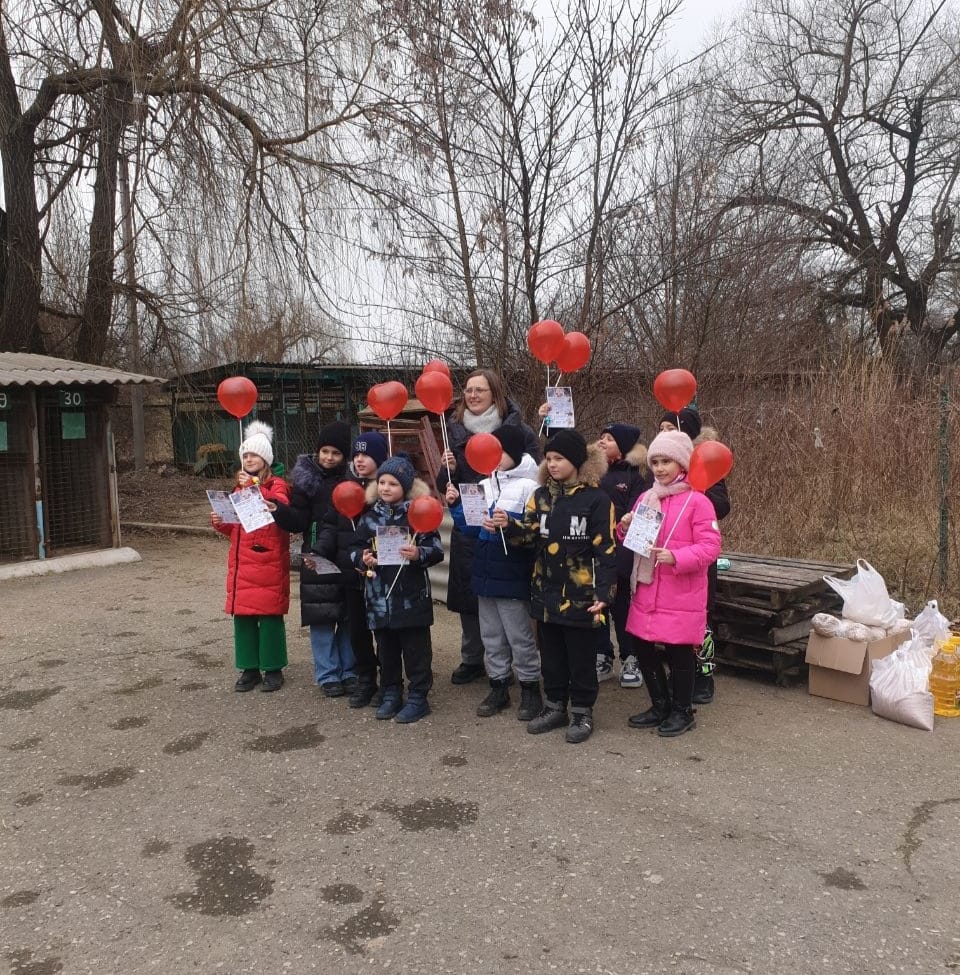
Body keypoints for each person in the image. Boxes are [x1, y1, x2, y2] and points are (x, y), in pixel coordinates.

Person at [498, 429, 616, 744]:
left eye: (559, 458)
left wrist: (604, 592)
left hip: (581, 595)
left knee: (580, 658)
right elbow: (528, 537)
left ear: (576, 461)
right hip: (545, 591)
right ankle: (555, 706)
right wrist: (508, 526)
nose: (552, 464)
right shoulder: (541, 496)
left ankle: (581, 711)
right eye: (548, 458)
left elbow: (606, 549)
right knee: (551, 656)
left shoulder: (597, 499)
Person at [437, 368, 541, 685]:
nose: (473, 395)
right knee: (473, 596)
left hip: (509, 521)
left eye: (480, 390)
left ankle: (519, 667)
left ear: (494, 393)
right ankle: (473, 658)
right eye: (468, 390)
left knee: (510, 602)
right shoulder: (452, 430)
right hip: (469, 520)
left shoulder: (517, 431)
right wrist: (447, 471)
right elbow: (446, 485)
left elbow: (536, 472)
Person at [619, 430, 722, 737]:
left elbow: (711, 546)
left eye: (667, 461)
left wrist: (676, 557)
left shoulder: (698, 502)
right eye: (656, 462)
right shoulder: (645, 497)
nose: (660, 468)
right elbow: (634, 542)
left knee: (679, 652)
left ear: (682, 464)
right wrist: (624, 528)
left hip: (682, 592)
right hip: (647, 589)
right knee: (643, 647)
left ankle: (682, 710)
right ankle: (660, 704)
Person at [445, 425, 542, 720]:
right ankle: (498, 685)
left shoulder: (530, 486)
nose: (494, 458)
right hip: (484, 573)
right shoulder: (484, 485)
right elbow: (470, 528)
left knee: (520, 636)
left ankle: (530, 688)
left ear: (514, 453)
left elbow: (534, 532)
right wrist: (456, 506)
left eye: (499, 452)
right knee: (491, 636)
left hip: (512, 575)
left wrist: (509, 525)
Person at [350, 455, 444, 724]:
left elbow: (436, 550)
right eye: (381, 482)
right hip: (379, 598)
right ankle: (390, 691)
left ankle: (418, 696)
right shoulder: (369, 519)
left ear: (405, 486)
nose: (385, 488)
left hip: (411, 598)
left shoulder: (417, 514)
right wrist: (362, 558)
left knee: (416, 651)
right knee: (386, 650)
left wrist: (418, 553)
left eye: (392, 483)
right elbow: (354, 549)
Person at [272, 420, 357, 698]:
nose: (329, 457)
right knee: (322, 618)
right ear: (318, 451)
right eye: (325, 451)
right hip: (315, 556)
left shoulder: (352, 481)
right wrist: (279, 511)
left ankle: (349, 670)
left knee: (346, 616)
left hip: (345, 554)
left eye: (336, 453)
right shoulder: (306, 481)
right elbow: (297, 521)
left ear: (344, 456)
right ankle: (328, 674)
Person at [210, 420, 292, 693]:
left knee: (269, 617)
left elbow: (278, 507)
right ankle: (249, 668)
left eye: (253, 454)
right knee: (243, 617)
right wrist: (220, 519)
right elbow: (235, 526)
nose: (248, 459)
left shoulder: (277, 484)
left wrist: (253, 485)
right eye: (245, 455)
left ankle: (273, 668)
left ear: (265, 458)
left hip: (267, 559)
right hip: (243, 560)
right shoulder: (239, 487)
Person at [658, 407, 730, 704]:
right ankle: (679, 673)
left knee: (702, 620)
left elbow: (723, 506)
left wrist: (696, 490)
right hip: (665, 557)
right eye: (660, 428)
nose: (663, 433)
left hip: (697, 557)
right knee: (673, 621)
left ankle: (704, 675)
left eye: (669, 427)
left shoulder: (705, 463)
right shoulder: (662, 464)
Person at [594, 423, 651, 688]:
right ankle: (602, 655)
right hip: (594, 550)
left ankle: (630, 657)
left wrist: (624, 545)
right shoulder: (592, 469)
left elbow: (638, 515)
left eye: (609, 439)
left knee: (622, 606)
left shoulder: (635, 475)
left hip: (623, 551)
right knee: (598, 603)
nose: (602, 442)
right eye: (601, 437)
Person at [340, 431, 390, 708]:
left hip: (383, 575)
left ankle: (388, 680)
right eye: (356, 454)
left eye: (366, 454)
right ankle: (365, 679)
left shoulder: (388, 490)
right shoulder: (345, 487)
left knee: (383, 631)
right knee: (357, 630)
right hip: (354, 571)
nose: (359, 459)